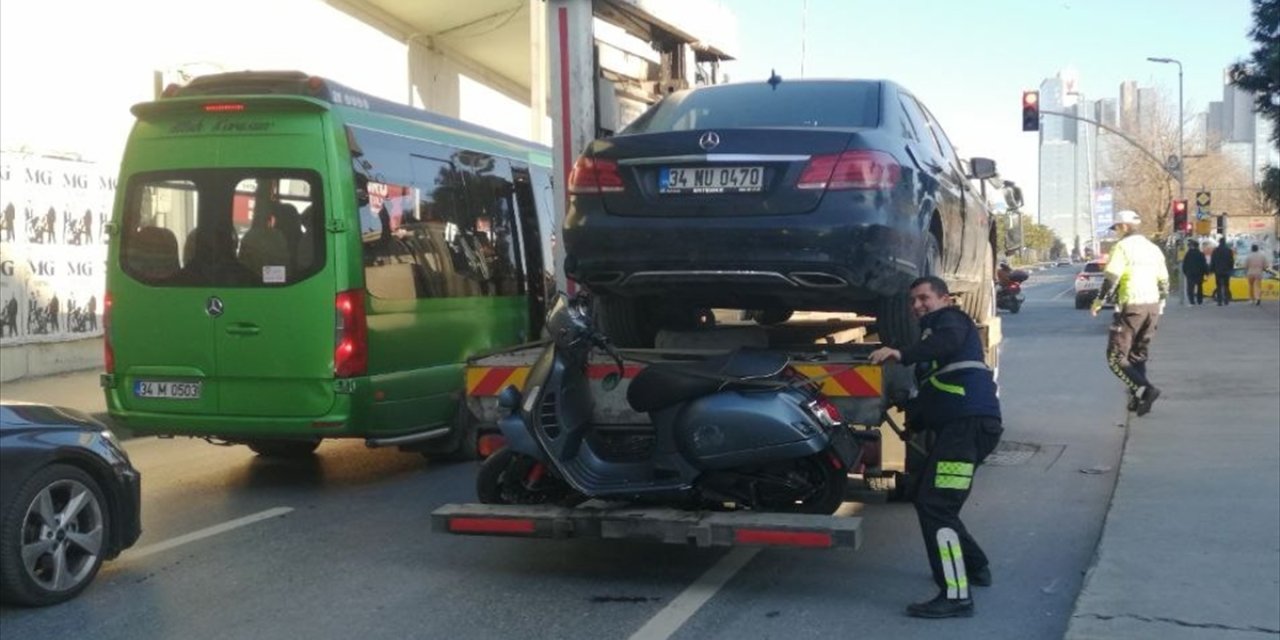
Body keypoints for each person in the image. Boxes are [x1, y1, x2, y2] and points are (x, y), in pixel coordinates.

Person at [869, 276, 1003, 619]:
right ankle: (975, 566)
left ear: (944, 298)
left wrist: (901, 353)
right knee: (932, 500)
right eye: (913, 301)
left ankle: (957, 596)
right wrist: (890, 424)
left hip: (966, 430)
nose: (917, 306)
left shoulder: (952, 322)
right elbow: (930, 404)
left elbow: (946, 343)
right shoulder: (935, 345)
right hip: (963, 430)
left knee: (936, 506)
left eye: (924, 298)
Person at [1091, 210, 1169, 416]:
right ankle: (1137, 398)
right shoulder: (1154, 249)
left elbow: (1111, 278)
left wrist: (1099, 301)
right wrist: (1160, 305)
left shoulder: (1122, 247)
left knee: (1115, 359)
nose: (1116, 232)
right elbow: (1165, 283)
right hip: (1152, 308)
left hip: (1131, 306)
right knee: (1137, 356)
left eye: (1116, 228)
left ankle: (1147, 390)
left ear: (1124, 227)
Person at [1180, 238, 1208, 305]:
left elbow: (1185, 264)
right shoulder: (1201, 254)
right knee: (1199, 287)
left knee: (1190, 288)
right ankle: (1199, 300)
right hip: (1199, 273)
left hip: (1190, 273)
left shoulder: (1188, 254)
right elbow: (1204, 264)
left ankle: (1192, 301)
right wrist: (1206, 272)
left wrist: (1185, 272)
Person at [1210, 236, 1235, 306]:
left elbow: (1213, 261)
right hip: (1226, 271)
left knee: (1218, 286)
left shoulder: (1215, 251)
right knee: (1226, 285)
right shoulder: (1229, 251)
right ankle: (1226, 300)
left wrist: (1212, 269)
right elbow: (1231, 261)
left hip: (1218, 271)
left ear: (1219, 242)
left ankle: (1219, 301)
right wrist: (1231, 269)